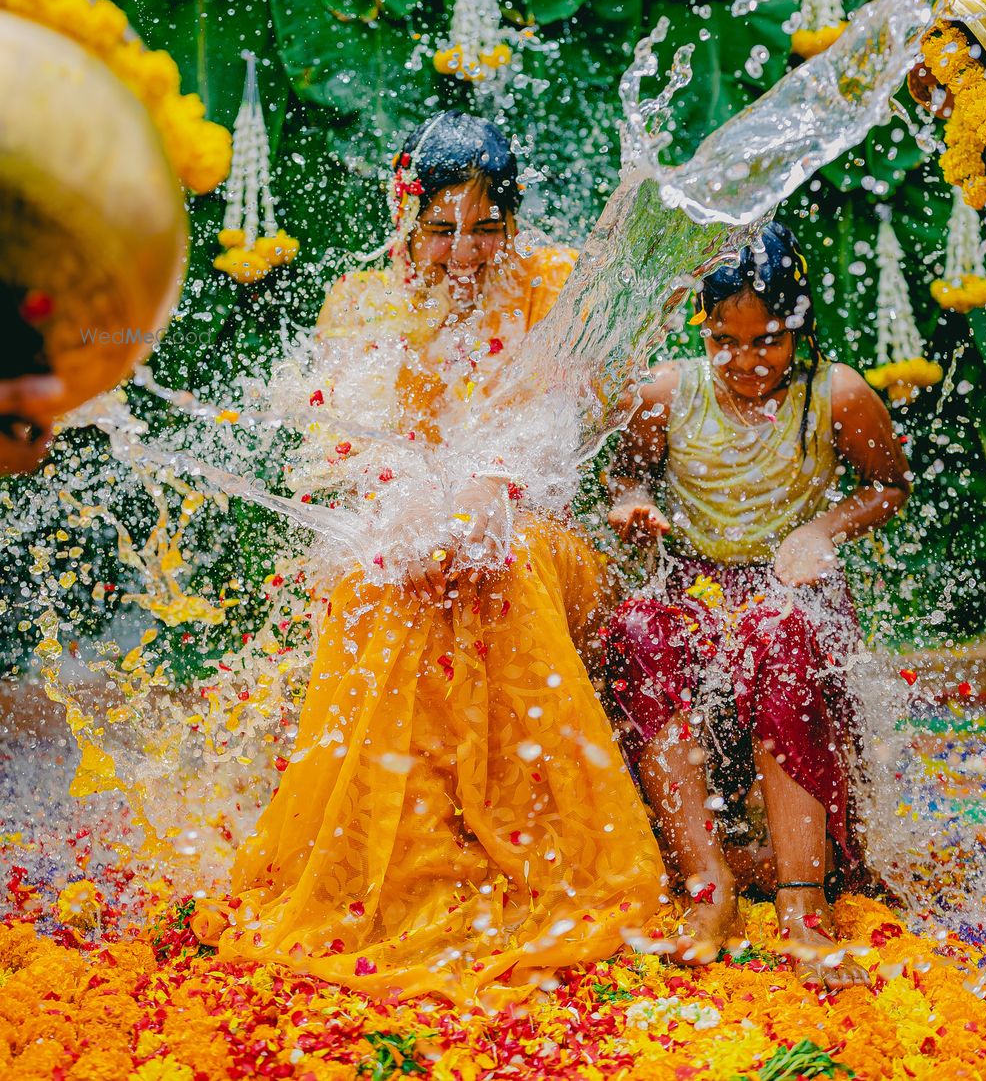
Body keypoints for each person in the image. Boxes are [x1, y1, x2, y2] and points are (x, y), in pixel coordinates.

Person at [195, 110, 667, 1001]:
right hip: (410, 526)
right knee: (380, 586)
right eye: (442, 229)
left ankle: (542, 854)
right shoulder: (362, 298)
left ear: (514, 221)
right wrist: (411, 518)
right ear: (405, 219)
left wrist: (485, 496)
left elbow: (550, 432)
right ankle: (412, 854)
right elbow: (349, 448)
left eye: (487, 227)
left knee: (507, 567)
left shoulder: (552, 281)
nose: (464, 252)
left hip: (538, 530)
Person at [603, 221, 910, 989]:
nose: (744, 362)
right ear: (703, 331)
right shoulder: (669, 394)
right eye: (724, 341)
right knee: (639, 630)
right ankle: (709, 885)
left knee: (781, 628)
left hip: (794, 583)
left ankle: (802, 901)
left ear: (799, 329)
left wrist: (820, 528)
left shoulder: (834, 394)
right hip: (698, 582)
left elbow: (888, 487)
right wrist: (635, 506)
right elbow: (626, 476)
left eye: (767, 342)